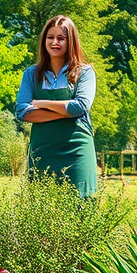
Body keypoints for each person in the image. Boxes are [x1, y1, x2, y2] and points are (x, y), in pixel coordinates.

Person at [16, 15, 97, 197]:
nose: (55, 42)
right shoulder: (31, 74)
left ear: (71, 41)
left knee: (80, 205)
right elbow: (22, 111)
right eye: (50, 37)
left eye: (61, 38)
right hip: (42, 151)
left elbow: (80, 107)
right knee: (42, 207)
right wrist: (65, 111)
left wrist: (41, 103)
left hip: (77, 150)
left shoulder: (84, 72)